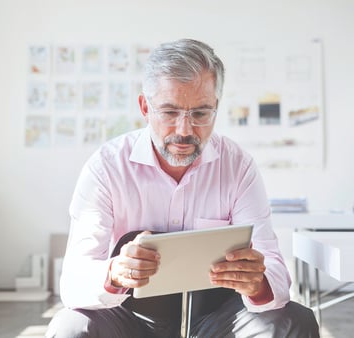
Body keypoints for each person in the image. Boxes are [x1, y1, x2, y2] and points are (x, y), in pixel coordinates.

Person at [46, 38, 319, 337]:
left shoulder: (238, 166)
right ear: (144, 107)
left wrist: (258, 282)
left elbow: (276, 272)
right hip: (127, 318)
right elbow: (72, 282)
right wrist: (114, 273)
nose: (185, 130)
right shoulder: (107, 168)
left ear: (216, 107)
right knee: (70, 328)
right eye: (170, 112)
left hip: (218, 319)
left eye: (201, 113)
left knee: (295, 320)